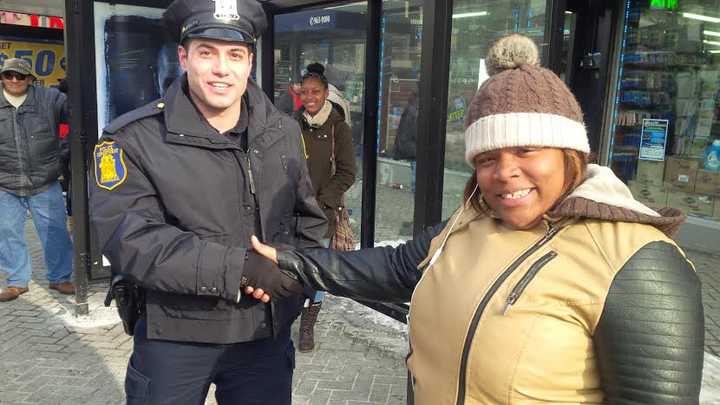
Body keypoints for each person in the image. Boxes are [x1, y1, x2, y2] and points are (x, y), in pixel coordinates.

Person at [250, 34, 704, 404]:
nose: (505, 172)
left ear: (571, 155)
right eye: (487, 157)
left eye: (527, 150)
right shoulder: (470, 222)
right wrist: (290, 261)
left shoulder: (639, 262)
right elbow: (395, 268)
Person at [89, 0, 327, 404]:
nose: (222, 69)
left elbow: (307, 218)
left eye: (235, 54)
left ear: (250, 62)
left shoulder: (282, 131)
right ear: (184, 57)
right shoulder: (131, 139)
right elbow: (131, 239)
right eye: (207, 52)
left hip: (263, 337)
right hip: (176, 337)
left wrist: (296, 275)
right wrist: (242, 269)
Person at [293, 62, 357, 352]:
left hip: (321, 214)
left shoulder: (338, 128)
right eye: (304, 92)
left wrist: (323, 201)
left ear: (325, 92)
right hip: (290, 211)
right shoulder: (290, 124)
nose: (309, 97)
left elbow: (347, 172)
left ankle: (308, 326)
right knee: (291, 266)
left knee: (316, 271)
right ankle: (286, 316)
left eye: (315, 92)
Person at [0, 58, 74, 302]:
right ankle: (17, 282)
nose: (13, 80)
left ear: (30, 79)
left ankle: (60, 277)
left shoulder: (49, 99)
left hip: (45, 181)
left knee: (55, 231)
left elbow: (78, 115)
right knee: (7, 233)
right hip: (5, 183)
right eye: (8, 75)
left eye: (19, 76)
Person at [392, 89, 418, 192]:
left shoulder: (410, 109)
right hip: (411, 144)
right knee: (416, 166)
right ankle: (415, 188)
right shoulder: (413, 111)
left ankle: (415, 187)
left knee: (414, 166)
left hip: (408, 143)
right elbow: (413, 129)